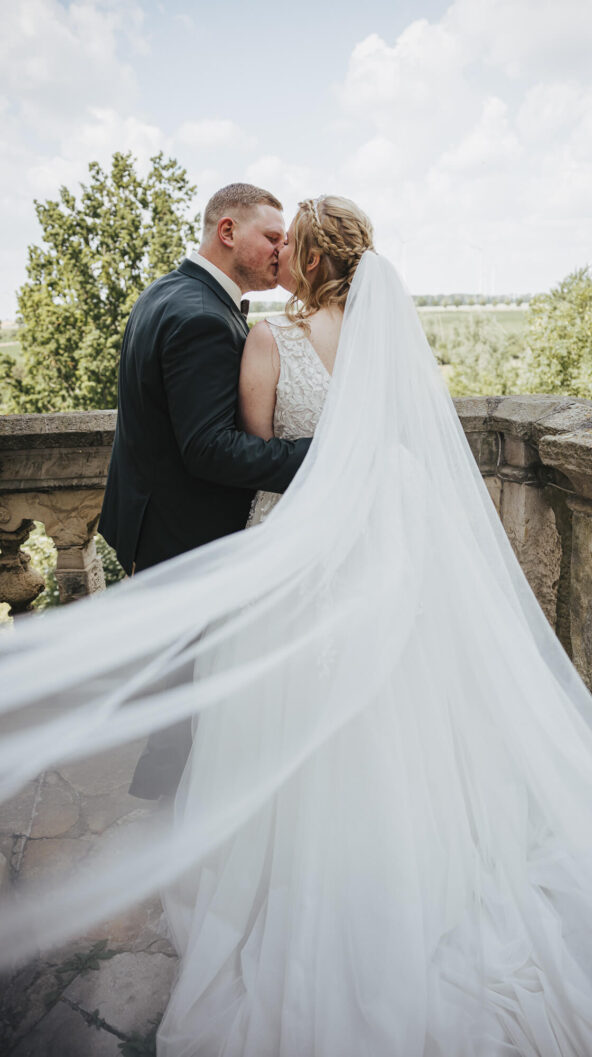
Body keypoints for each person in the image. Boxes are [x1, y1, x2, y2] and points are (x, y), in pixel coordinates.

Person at [2, 197, 592, 1057]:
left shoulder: (268, 338)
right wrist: (354, 458)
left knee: (285, 701)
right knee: (391, 701)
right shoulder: (381, 341)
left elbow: (249, 452)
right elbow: (395, 439)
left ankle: (291, 869)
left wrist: (328, 469)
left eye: (286, 243)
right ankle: (413, 865)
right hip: (383, 543)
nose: (276, 254)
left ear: (306, 258)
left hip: (298, 544)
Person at [98, 182, 311, 799]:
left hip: (153, 521)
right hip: (186, 532)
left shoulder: (168, 291)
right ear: (227, 232)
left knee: (180, 677)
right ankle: (179, 806)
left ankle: (169, 792)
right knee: (193, 680)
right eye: (272, 237)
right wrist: (321, 453)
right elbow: (209, 447)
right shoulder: (201, 317)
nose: (281, 251)